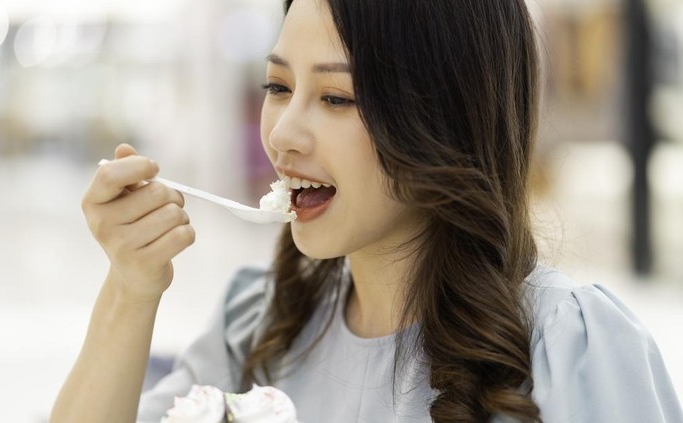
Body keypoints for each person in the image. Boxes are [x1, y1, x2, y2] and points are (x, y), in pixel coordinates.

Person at [51, 0, 683, 422]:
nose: (283, 135)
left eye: (336, 96)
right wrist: (131, 289)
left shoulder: (572, 347)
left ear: (446, 118)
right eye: (278, 87)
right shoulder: (259, 323)